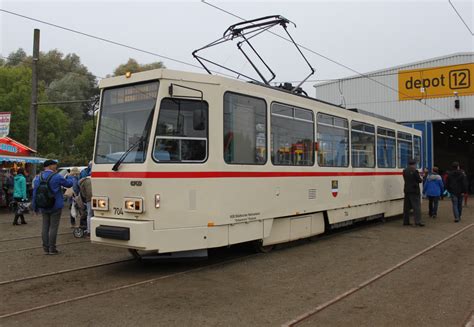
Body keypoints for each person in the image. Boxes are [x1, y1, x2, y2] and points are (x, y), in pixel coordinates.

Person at [32, 160, 73, 255]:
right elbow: (69, 184)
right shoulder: (57, 176)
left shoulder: (38, 178)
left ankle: (45, 248)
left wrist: (35, 207)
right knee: (53, 227)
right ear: (50, 166)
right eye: (55, 165)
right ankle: (52, 248)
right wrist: (71, 177)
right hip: (55, 205)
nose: (56, 167)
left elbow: (34, 193)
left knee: (45, 226)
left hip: (43, 205)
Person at [403, 159, 424, 227]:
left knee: (406, 207)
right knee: (416, 207)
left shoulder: (405, 171)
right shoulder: (415, 171)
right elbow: (419, 180)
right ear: (414, 164)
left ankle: (406, 221)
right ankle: (417, 222)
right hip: (414, 191)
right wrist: (422, 177)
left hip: (407, 190)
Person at [79, 170, 92, 236]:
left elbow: (82, 192)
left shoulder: (84, 181)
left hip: (88, 199)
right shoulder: (94, 180)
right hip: (97, 199)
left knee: (89, 214)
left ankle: (89, 230)